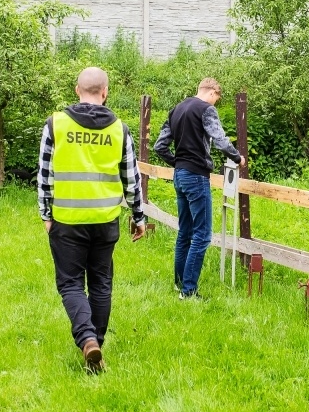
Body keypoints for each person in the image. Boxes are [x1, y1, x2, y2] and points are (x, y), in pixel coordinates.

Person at [38, 67, 146, 373]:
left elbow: (44, 175)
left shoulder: (55, 124)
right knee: (101, 284)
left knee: (71, 284)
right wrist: (139, 217)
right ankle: (96, 345)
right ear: (105, 92)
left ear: (77, 90)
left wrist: (46, 214)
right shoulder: (119, 130)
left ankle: (87, 341)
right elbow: (132, 179)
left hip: (67, 219)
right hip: (105, 220)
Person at [153, 78, 245, 300]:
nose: (216, 103)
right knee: (202, 235)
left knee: (184, 232)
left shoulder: (176, 109)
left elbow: (159, 146)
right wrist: (237, 157)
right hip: (196, 176)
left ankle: (179, 283)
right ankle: (189, 291)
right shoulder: (206, 110)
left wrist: (177, 162)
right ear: (213, 92)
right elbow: (220, 139)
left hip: (180, 176)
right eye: (217, 98)